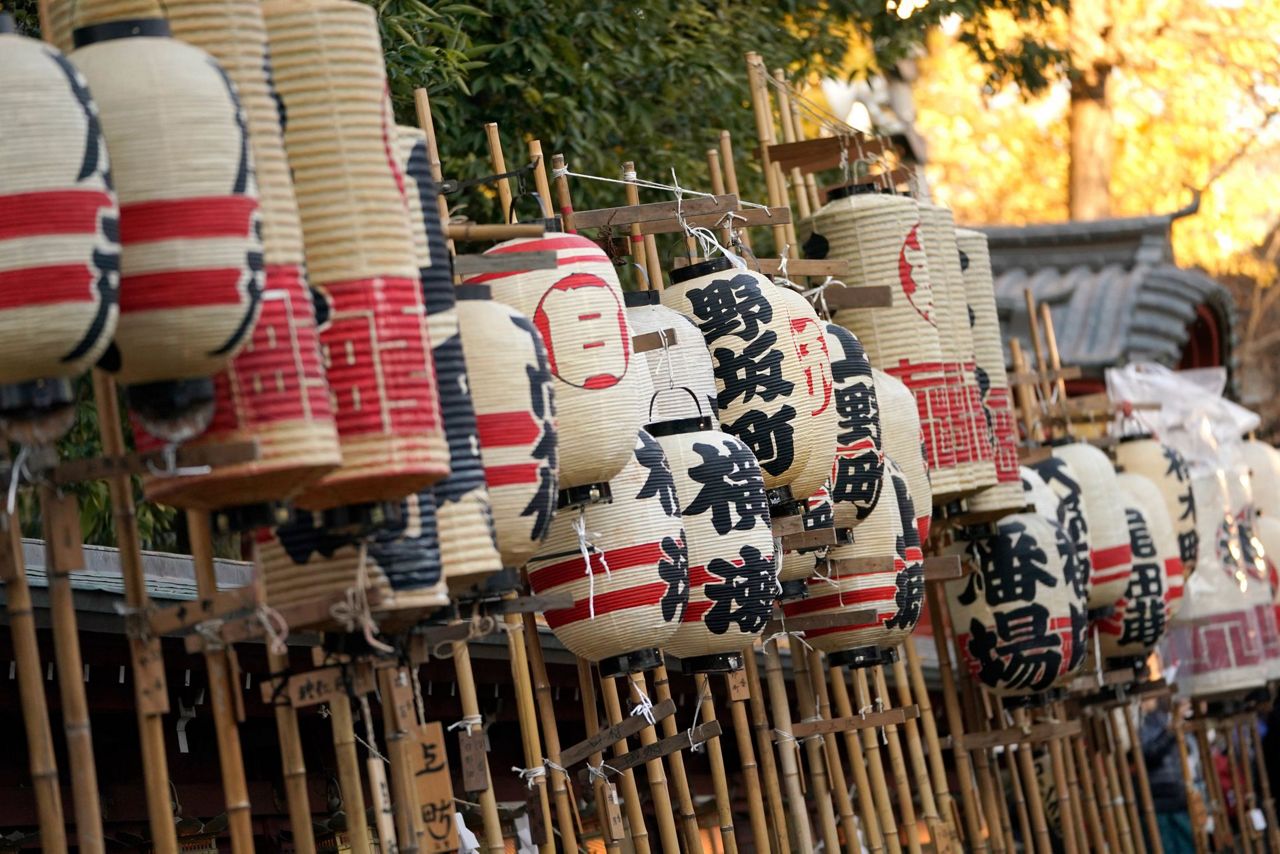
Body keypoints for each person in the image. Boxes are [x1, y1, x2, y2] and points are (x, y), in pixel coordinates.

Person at [1140, 702, 1196, 853]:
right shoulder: (1146, 723)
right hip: (1158, 797)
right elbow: (1149, 755)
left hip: (1178, 795)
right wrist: (1170, 732)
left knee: (1187, 844)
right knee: (1166, 846)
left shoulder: (1174, 720)